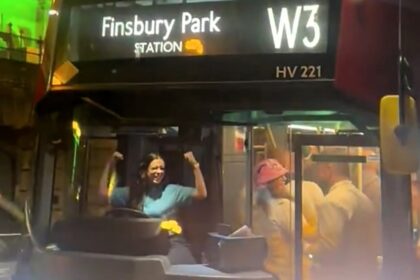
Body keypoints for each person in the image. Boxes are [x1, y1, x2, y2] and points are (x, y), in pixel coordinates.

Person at [98, 151, 207, 264]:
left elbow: (201, 194)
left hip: (168, 245)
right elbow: (102, 197)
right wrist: (109, 164)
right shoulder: (132, 193)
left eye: (162, 168)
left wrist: (195, 166)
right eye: (154, 168)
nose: (159, 172)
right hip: (140, 245)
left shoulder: (172, 191)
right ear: (143, 173)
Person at [307, 150, 379, 280]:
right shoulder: (361, 196)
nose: (317, 173)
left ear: (328, 168)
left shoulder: (333, 201)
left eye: (318, 168)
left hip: (342, 273)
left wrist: (305, 249)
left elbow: (329, 246)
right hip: (365, 271)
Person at [252, 158, 316, 280]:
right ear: (270, 183)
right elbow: (305, 236)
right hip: (292, 273)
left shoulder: (258, 210)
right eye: (279, 177)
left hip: (270, 271)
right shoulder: (284, 206)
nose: (284, 179)